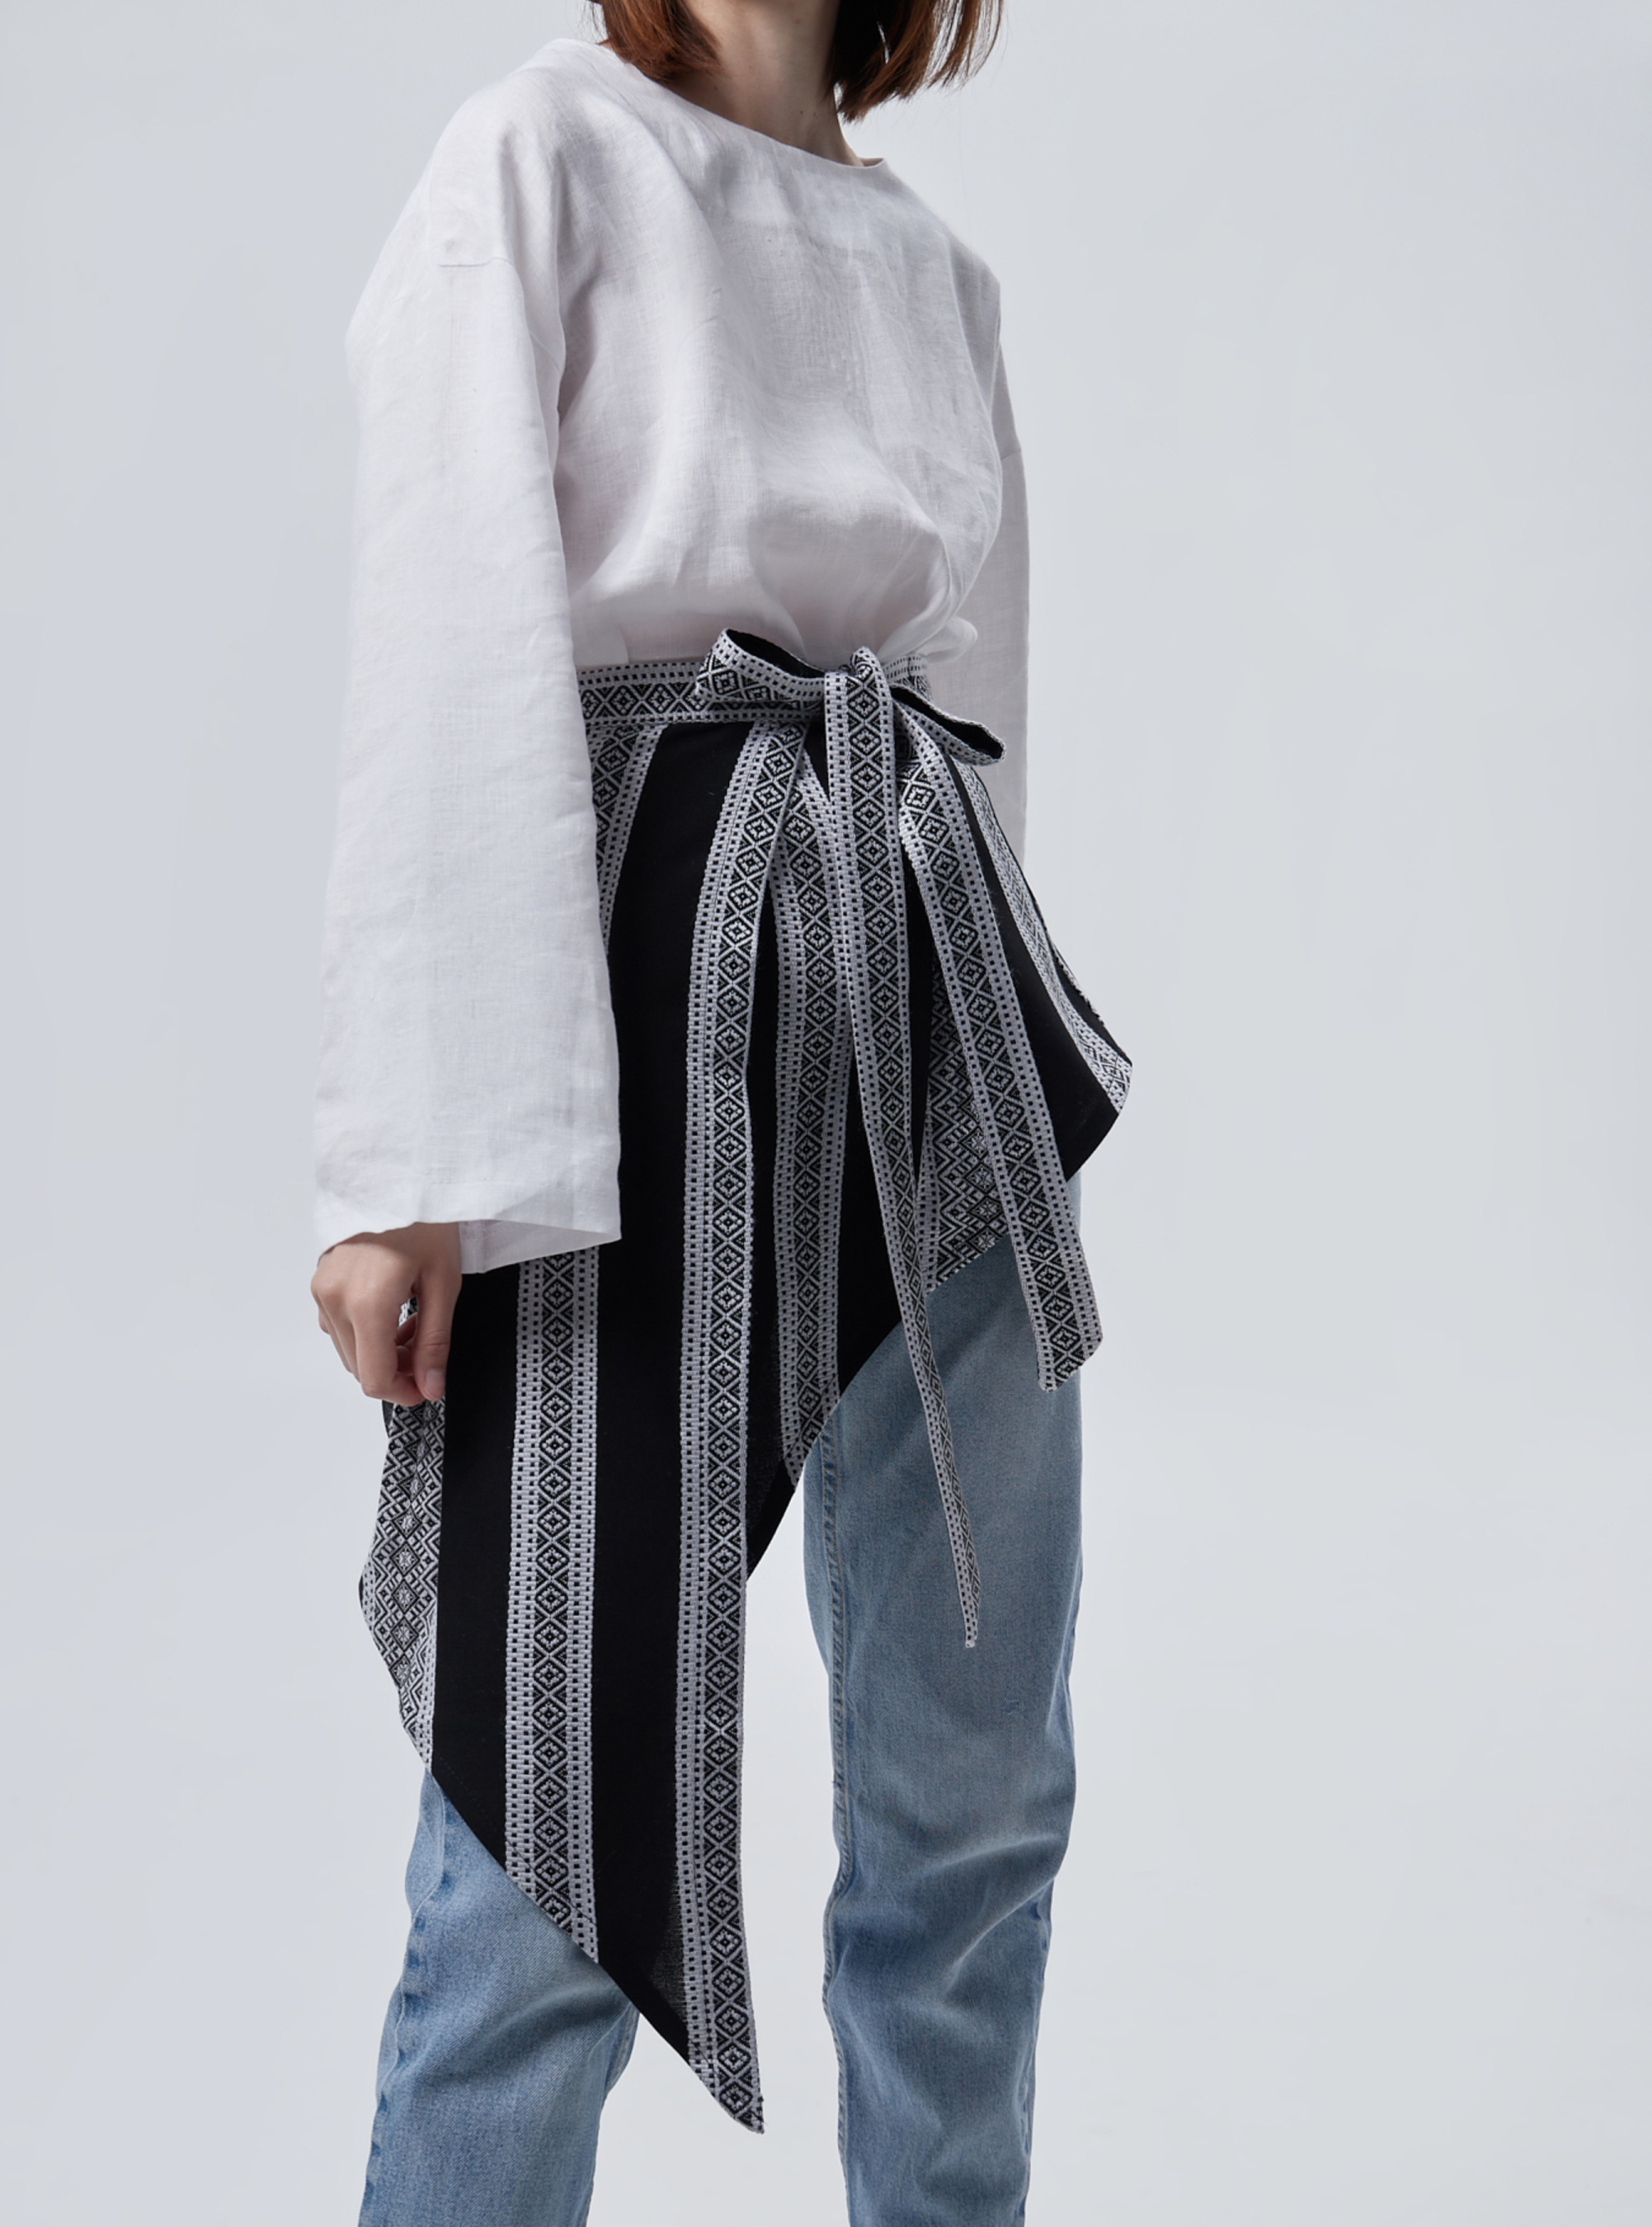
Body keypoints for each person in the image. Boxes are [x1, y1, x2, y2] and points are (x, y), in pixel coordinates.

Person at [310, 2, 1129, 2220]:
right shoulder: (538, 159)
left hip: (937, 1024)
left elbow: (973, 712)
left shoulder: (934, 268)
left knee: (975, 1813)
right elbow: (447, 634)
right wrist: (415, 1167)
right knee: (542, 1852)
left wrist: (983, 1044)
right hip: (631, 1022)